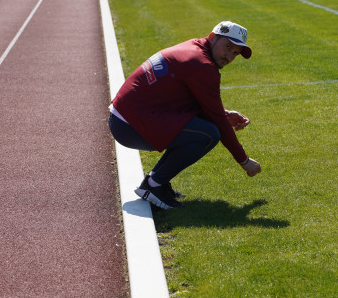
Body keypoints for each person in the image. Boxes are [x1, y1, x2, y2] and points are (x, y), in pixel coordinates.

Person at [109, 21, 262, 210]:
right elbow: (218, 124)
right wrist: (244, 161)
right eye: (228, 47)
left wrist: (223, 114)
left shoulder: (194, 48)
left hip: (128, 116)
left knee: (200, 128)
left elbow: (200, 105)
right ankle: (153, 185)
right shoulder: (203, 65)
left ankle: (158, 182)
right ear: (213, 37)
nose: (229, 56)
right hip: (129, 125)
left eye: (235, 53)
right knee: (208, 134)